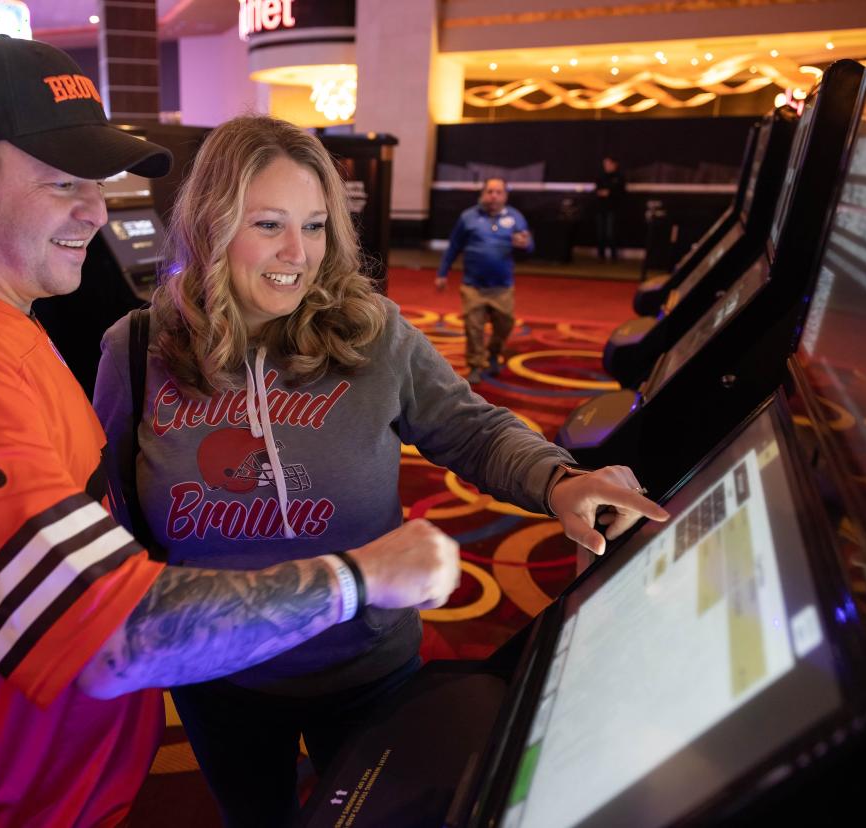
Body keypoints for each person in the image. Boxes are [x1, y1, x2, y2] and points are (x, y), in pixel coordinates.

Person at [0, 37, 464, 828]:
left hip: (60, 790)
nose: (94, 211)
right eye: (63, 183)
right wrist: (359, 578)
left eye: (98, 185)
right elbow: (111, 638)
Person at [93, 115, 670, 828]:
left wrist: (559, 480)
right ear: (212, 224)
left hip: (365, 669)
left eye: (314, 226)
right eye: (268, 224)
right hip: (220, 675)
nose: (297, 255)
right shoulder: (135, 350)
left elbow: (472, 430)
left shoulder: (373, 332)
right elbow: (112, 503)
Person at [436, 177, 533, 383]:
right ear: (482, 194)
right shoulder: (468, 217)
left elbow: (529, 247)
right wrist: (442, 273)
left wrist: (524, 245)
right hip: (474, 286)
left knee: (505, 325)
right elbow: (454, 247)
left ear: (505, 196)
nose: (494, 196)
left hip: (502, 287)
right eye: (490, 191)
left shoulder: (516, 218)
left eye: (498, 192)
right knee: (473, 328)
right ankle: (474, 365)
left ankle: (493, 353)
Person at [594, 155, 627, 262]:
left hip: (613, 209)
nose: (606, 166)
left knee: (611, 232)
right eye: (605, 164)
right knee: (600, 232)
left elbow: (619, 192)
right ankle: (600, 255)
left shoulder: (619, 177)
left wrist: (610, 193)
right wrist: (604, 192)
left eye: (609, 164)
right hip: (600, 209)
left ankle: (613, 256)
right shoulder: (600, 176)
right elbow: (598, 191)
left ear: (614, 164)